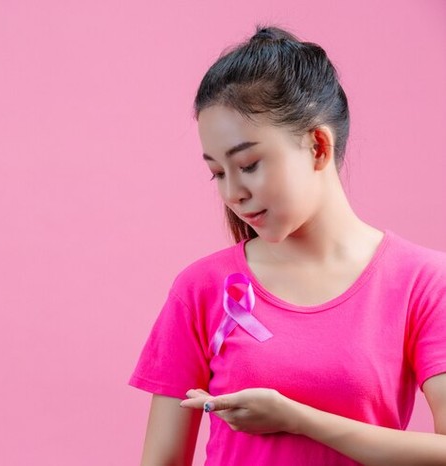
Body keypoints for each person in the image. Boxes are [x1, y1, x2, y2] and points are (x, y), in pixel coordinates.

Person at [128, 24, 446, 466]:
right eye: (217, 173)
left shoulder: (423, 282)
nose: (232, 193)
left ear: (317, 146)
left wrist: (298, 419)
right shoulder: (201, 288)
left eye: (248, 164)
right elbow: (161, 459)